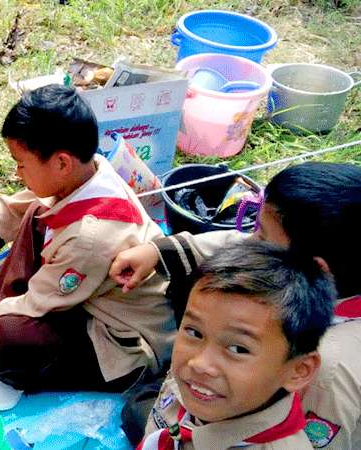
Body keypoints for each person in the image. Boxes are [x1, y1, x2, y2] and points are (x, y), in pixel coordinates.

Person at [0, 85, 176, 392]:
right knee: (35, 213)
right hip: (87, 294)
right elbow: (20, 206)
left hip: (122, 340)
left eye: (21, 163)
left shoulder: (90, 237)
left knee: (11, 334)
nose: (17, 172)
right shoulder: (89, 171)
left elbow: (36, 303)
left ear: (62, 163)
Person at [112, 162, 361, 449]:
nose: (250, 242)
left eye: (262, 237)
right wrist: (158, 251)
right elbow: (239, 243)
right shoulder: (303, 268)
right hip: (206, 408)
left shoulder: (330, 373)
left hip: (227, 428)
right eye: (193, 331)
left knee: (138, 407)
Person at [140, 240, 334, 449]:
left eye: (238, 349)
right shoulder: (195, 383)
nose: (199, 363)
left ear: (298, 371)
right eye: (195, 332)